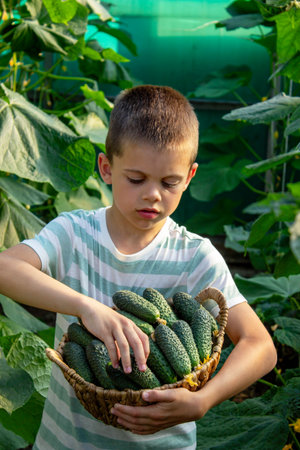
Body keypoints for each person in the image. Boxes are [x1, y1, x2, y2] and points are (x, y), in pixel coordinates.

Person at [0, 85, 277, 449]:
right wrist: (87, 307)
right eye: (136, 179)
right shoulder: (73, 233)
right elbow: (6, 268)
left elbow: (261, 347)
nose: (153, 195)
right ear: (106, 168)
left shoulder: (195, 256)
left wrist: (202, 401)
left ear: (190, 177)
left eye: (169, 182)